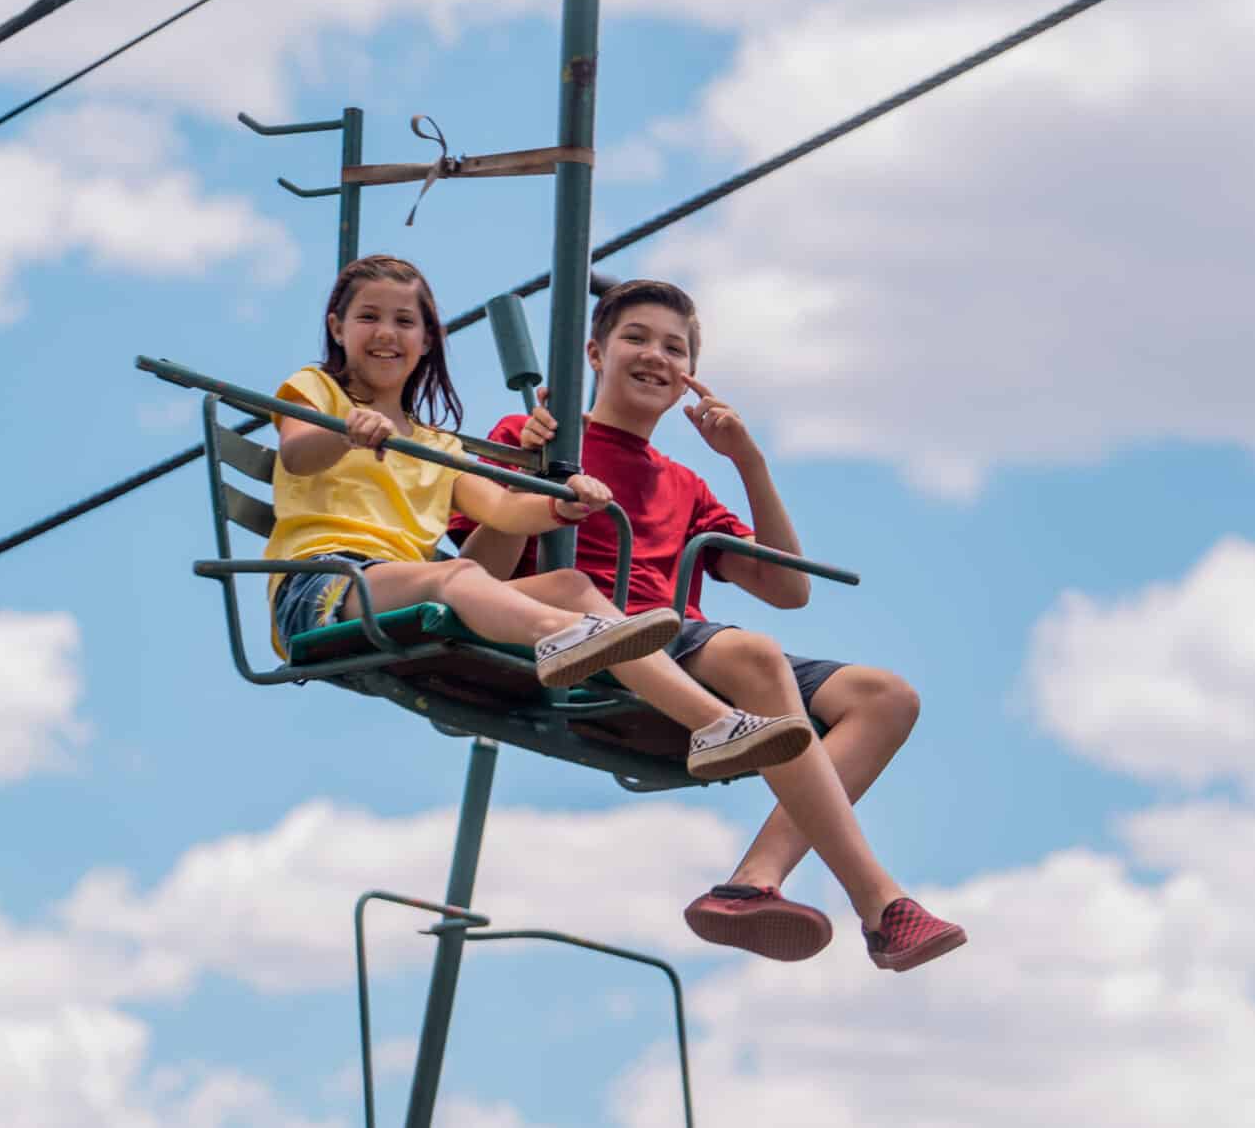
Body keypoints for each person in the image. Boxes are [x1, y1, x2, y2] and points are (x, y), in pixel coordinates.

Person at [452, 278, 963, 971]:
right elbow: (482, 567)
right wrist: (535, 478)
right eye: (636, 338)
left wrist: (747, 460)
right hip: (590, 629)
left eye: (675, 347)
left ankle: (753, 880)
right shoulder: (528, 435)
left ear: (690, 375)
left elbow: (789, 588)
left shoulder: (682, 484)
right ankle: (880, 901)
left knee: (886, 697)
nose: (655, 356)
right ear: (595, 352)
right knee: (752, 656)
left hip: (673, 639)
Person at [266, 255, 813, 782]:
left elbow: (503, 508)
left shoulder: (436, 445)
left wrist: (560, 505)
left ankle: (715, 724)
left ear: (427, 339)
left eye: (404, 321)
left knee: (571, 584)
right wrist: (343, 430)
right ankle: (562, 636)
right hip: (326, 582)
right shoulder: (318, 392)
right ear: (337, 328)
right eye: (369, 317)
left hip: (393, 585)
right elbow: (297, 453)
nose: (386, 332)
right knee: (457, 576)